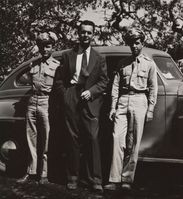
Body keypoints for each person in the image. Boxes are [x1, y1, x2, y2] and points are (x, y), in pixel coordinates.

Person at [53, 20, 108, 192]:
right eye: (83, 32)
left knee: (92, 138)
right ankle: (73, 177)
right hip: (72, 98)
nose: (85, 35)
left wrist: (91, 92)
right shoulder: (68, 55)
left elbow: (104, 81)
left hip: (90, 101)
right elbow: (59, 80)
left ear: (93, 35)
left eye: (89, 32)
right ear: (78, 34)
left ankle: (95, 179)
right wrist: (66, 96)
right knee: (72, 139)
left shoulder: (99, 58)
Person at [104, 28, 158, 191]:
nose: (134, 46)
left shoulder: (149, 64)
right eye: (131, 43)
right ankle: (114, 179)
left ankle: (127, 178)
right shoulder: (122, 63)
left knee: (133, 142)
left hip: (140, 100)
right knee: (117, 138)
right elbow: (115, 87)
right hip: (123, 100)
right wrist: (113, 107)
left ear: (142, 43)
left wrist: (150, 109)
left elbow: (153, 87)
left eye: (137, 42)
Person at [17, 32, 59, 184]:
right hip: (32, 100)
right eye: (42, 46)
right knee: (31, 138)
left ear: (53, 47)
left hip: (46, 102)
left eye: (48, 46)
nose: (45, 49)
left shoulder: (57, 66)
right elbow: (24, 79)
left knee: (46, 139)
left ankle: (44, 174)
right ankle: (31, 171)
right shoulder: (33, 64)